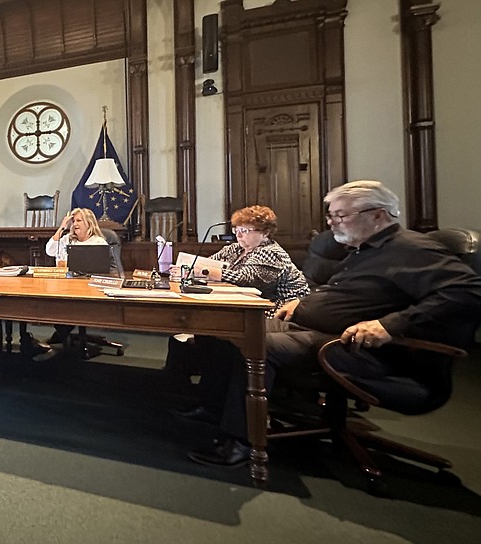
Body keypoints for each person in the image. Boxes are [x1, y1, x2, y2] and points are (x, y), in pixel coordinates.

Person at [184, 180, 481, 468]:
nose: (332, 223)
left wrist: (390, 325)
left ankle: (241, 442)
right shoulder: (366, 249)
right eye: (331, 216)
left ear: (378, 215)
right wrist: (303, 305)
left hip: (346, 345)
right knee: (224, 329)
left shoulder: (411, 248)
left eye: (341, 215)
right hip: (310, 327)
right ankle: (216, 411)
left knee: (255, 344)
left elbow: (469, 291)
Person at [165, 206, 309, 401]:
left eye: (246, 231)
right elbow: (205, 263)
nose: (239, 235)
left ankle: (214, 400)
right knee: (201, 329)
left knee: (219, 335)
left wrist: (205, 271)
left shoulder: (271, 252)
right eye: (236, 230)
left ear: (265, 232)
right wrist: (186, 269)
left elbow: (248, 278)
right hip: (242, 306)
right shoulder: (235, 249)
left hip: (276, 312)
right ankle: (191, 392)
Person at [42, 208, 110, 350]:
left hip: (88, 289)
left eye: (79, 220)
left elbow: (102, 270)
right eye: (73, 221)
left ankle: (63, 334)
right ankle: (63, 333)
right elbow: (49, 250)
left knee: (68, 308)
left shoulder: (99, 243)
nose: (75, 224)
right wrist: (62, 227)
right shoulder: (66, 239)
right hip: (64, 286)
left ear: (89, 224)